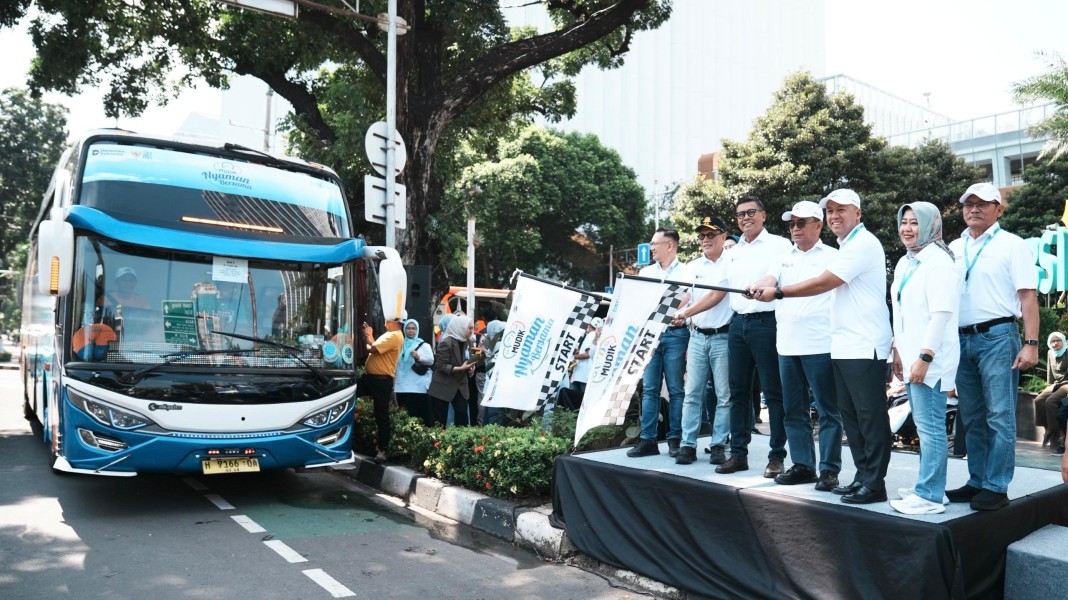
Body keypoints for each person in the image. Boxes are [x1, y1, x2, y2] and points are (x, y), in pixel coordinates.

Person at [750, 188, 893, 505]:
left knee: (868, 417)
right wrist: (763, 287)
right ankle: (863, 478)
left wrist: (781, 293)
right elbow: (771, 278)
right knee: (852, 417)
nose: (835, 216)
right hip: (841, 346)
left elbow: (825, 283)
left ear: (858, 213)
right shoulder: (845, 247)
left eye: (842, 210)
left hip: (862, 345)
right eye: (831, 211)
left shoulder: (862, 244)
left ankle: (874, 482)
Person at [946, 182, 1039, 511]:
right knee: (971, 415)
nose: (973, 209)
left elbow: (1028, 296)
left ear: (999, 209)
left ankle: (997, 485)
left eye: (982, 204)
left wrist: (1030, 343)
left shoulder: (1012, 245)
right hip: (960, 338)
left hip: (998, 336)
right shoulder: (954, 247)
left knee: (999, 414)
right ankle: (977, 480)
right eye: (968, 203)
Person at [748, 201, 843, 491]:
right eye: (792, 224)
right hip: (787, 345)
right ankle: (803, 465)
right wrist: (759, 285)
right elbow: (769, 279)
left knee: (828, 411)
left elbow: (818, 286)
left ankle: (828, 470)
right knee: (793, 410)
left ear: (819, 225)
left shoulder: (834, 256)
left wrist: (775, 291)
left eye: (802, 223)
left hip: (821, 343)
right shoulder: (782, 256)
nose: (796, 228)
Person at [887, 202, 961, 515]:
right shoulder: (908, 261)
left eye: (915, 223)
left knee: (930, 428)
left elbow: (941, 314)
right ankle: (929, 486)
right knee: (923, 425)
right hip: (911, 355)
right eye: (903, 222)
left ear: (930, 225)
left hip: (931, 358)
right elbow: (902, 312)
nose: (907, 228)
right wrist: (898, 351)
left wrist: (924, 357)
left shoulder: (938, 262)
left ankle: (929, 495)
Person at [716, 197, 791, 478]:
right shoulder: (732, 252)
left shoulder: (780, 246)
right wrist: (686, 311)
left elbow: (782, 283)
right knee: (738, 392)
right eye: (739, 215)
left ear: (763, 215)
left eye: (750, 213)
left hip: (767, 322)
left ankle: (776, 457)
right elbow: (719, 291)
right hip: (737, 325)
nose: (745, 218)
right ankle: (738, 454)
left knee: (773, 392)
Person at [672, 216, 733, 465]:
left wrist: (684, 313)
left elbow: (716, 296)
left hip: (723, 337)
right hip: (697, 336)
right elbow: (684, 294)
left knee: (724, 395)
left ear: (723, 237)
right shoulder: (692, 266)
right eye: (702, 236)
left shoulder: (732, 263)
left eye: (711, 235)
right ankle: (688, 444)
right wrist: (668, 312)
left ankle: (718, 444)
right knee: (692, 394)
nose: (705, 239)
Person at [627, 228, 690, 458]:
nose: (651, 247)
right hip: (650, 335)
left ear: (670, 245)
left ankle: (675, 439)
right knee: (650, 389)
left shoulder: (687, 272)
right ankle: (648, 440)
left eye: (655, 243)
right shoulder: (646, 272)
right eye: (651, 243)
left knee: (676, 389)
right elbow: (640, 302)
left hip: (676, 333)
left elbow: (687, 301)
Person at [361, 317, 405, 461]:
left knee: (381, 415)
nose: (384, 320)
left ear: (395, 321)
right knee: (348, 393)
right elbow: (376, 346)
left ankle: (383, 450)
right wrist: (370, 336)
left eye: (388, 318)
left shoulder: (394, 335)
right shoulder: (390, 334)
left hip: (381, 381)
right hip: (371, 379)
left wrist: (367, 335)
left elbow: (372, 348)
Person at [428, 315, 477, 428]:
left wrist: (471, 369)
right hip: (443, 385)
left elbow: (467, 360)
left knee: (462, 417)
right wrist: (462, 368)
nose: (471, 331)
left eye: (472, 328)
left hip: (460, 385)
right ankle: (438, 444)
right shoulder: (446, 342)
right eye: (469, 328)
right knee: (440, 421)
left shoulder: (469, 343)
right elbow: (441, 366)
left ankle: (460, 443)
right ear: (460, 327)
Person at [394, 318, 434, 425]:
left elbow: (431, 361)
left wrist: (418, 356)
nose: (411, 331)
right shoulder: (400, 344)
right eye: (408, 328)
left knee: (419, 416)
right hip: (402, 386)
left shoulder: (423, 345)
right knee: (404, 415)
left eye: (413, 328)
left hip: (418, 386)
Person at [1035, 332, 1068, 454]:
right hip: (1056, 384)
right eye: (1053, 341)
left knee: (1050, 402)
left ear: (1063, 341)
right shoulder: (1050, 353)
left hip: (1067, 384)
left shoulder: (1067, 351)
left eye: (1058, 340)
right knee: (1039, 399)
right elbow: (1050, 372)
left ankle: (1058, 431)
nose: (1055, 343)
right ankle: (1048, 428)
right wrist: (1049, 386)